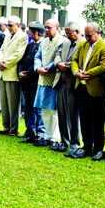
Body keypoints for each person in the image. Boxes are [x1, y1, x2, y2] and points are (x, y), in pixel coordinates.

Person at [69, 23, 105, 160]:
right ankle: (86, 146)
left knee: (98, 120)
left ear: (98, 33)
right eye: (86, 35)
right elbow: (74, 60)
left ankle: (98, 149)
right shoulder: (83, 45)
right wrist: (76, 73)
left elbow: (103, 66)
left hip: (96, 89)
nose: (87, 38)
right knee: (84, 118)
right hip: (81, 87)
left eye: (90, 35)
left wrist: (86, 73)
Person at [54, 21, 84, 152]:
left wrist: (69, 66)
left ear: (77, 32)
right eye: (65, 33)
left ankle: (74, 143)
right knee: (61, 114)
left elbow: (80, 61)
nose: (67, 36)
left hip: (73, 83)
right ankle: (64, 141)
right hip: (60, 81)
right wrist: (58, 64)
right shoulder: (66, 42)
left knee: (73, 114)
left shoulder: (83, 43)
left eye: (69, 34)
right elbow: (57, 54)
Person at [34, 19, 65, 147]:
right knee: (45, 109)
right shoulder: (43, 41)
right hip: (42, 78)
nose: (46, 30)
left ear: (57, 28)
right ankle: (47, 135)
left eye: (49, 27)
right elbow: (38, 56)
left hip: (54, 79)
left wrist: (47, 68)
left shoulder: (63, 41)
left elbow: (59, 58)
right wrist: (38, 68)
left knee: (54, 111)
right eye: (45, 27)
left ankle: (55, 137)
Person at [0, 16, 27, 136]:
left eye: (11, 25)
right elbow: (1, 50)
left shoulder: (23, 37)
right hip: (2, 72)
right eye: (7, 25)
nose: (8, 28)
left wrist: (6, 63)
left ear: (18, 25)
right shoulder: (7, 36)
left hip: (12, 72)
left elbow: (18, 54)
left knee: (13, 103)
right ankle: (6, 126)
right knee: (4, 102)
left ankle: (14, 128)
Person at [18, 22, 44, 144]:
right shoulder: (30, 45)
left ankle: (39, 133)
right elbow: (22, 60)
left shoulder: (43, 45)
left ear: (38, 33)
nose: (31, 34)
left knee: (36, 108)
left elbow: (38, 63)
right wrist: (20, 72)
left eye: (32, 32)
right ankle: (29, 131)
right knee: (28, 107)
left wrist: (28, 72)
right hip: (26, 81)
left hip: (34, 80)